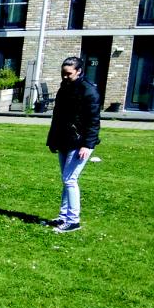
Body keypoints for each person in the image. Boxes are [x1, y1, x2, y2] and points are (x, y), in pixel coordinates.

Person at [45, 56, 100, 234]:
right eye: (63, 73)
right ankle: (63, 217)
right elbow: (58, 118)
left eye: (68, 73)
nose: (65, 76)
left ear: (78, 71)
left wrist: (87, 144)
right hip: (64, 140)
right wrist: (52, 140)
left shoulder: (88, 91)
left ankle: (73, 220)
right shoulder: (64, 88)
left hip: (80, 142)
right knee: (66, 180)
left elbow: (93, 121)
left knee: (70, 179)